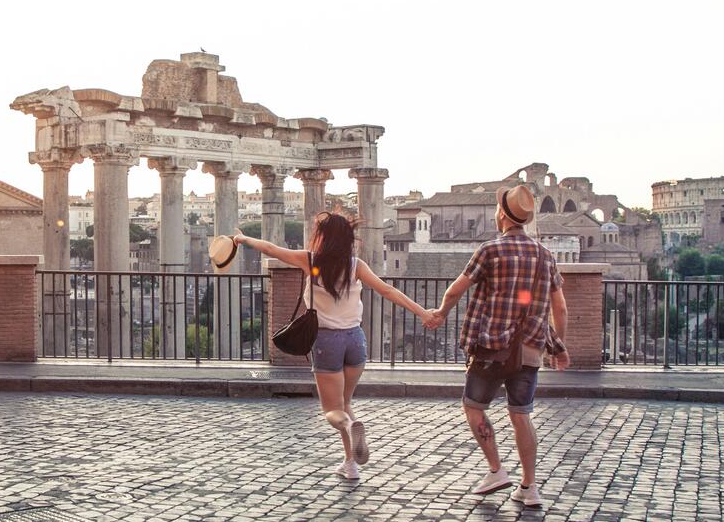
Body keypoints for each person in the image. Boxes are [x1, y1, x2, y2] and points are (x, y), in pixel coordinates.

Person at [234, 211, 435, 480]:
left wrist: (242, 238)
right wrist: (422, 312)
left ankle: (350, 427)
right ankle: (350, 464)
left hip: (327, 341)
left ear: (322, 237)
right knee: (345, 401)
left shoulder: (310, 261)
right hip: (355, 339)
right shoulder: (356, 265)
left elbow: (271, 249)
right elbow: (388, 291)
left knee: (333, 410)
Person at [424, 185, 570, 508]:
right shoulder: (546, 256)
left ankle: (496, 469)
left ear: (502, 215)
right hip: (529, 350)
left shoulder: (490, 251)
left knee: (473, 406)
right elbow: (559, 309)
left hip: (490, 348)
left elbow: (455, 290)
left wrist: (440, 313)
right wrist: (558, 347)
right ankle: (529, 487)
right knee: (522, 416)